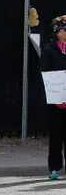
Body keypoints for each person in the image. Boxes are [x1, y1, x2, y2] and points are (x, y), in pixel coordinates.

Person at [41, 15, 66, 180]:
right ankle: (54, 168)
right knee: (56, 137)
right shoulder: (49, 49)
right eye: (65, 29)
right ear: (57, 32)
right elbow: (46, 75)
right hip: (55, 102)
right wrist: (57, 98)